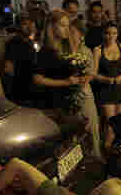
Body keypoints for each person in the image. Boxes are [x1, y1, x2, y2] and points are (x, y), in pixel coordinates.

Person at [33, 10, 101, 159]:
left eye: (67, 25)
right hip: (58, 104)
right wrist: (65, 82)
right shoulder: (46, 51)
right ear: (52, 27)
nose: (66, 29)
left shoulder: (62, 48)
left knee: (85, 134)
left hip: (70, 101)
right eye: (62, 25)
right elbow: (37, 79)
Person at [92, 22, 121, 124]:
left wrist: (120, 78)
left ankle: (120, 140)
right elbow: (93, 74)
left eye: (114, 33)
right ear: (103, 34)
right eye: (108, 33)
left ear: (117, 34)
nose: (111, 36)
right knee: (111, 122)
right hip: (106, 90)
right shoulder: (97, 50)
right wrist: (106, 79)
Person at [4, 16, 37, 105]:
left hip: (31, 85)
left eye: (31, 24)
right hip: (20, 87)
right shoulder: (14, 42)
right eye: (25, 24)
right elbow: (9, 67)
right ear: (18, 26)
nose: (29, 27)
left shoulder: (30, 41)